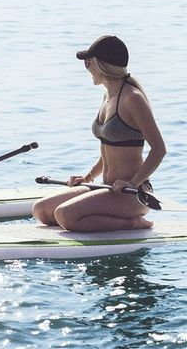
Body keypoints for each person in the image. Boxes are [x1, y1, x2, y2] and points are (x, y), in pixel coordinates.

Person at [32, 35, 166, 232]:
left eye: (88, 63)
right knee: (41, 210)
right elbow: (110, 149)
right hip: (106, 189)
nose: (86, 68)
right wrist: (87, 177)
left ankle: (132, 223)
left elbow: (159, 149)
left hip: (132, 192)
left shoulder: (133, 98)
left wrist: (133, 182)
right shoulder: (108, 95)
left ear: (102, 65)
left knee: (65, 215)